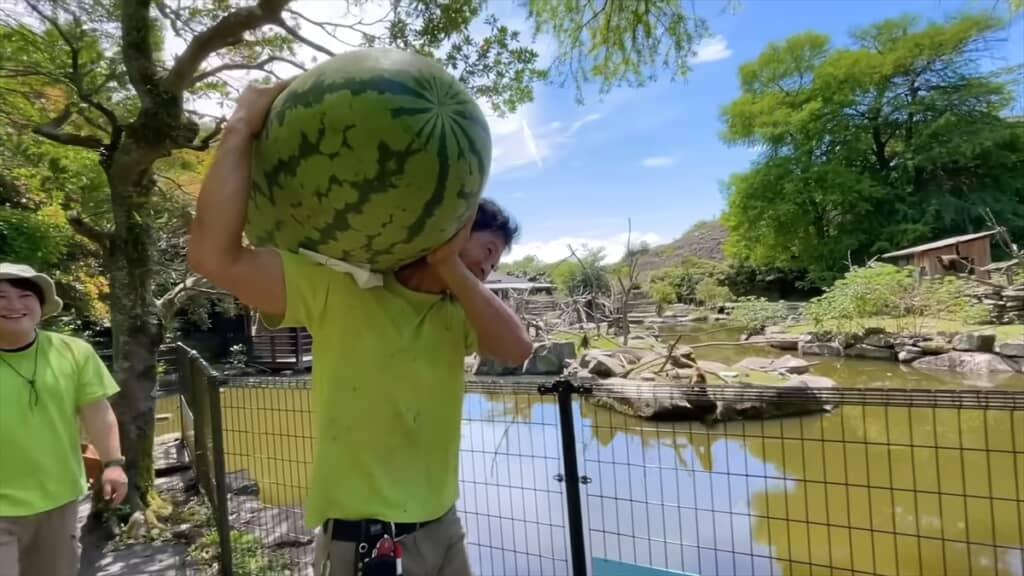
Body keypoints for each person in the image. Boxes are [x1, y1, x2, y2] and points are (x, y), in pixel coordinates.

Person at [187, 80, 532, 576]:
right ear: (451, 226)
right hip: (371, 543)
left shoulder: (457, 315)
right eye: (488, 251)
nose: (489, 269)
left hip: (444, 528)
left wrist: (452, 265)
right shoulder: (340, 289)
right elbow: (213, 257)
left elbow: (518, 348)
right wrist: (242, 126)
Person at [0, 263, 128, 576]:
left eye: (25, 295)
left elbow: (97, 412)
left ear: (41, 305)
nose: (14, 305)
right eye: (1, 296)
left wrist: (113, 463)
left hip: (58, 500)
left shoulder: (73, 352)